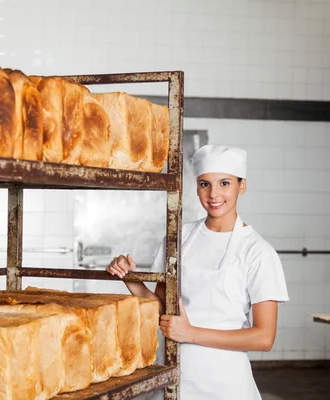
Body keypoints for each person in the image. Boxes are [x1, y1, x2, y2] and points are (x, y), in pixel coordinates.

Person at [106, 144, 289, 399]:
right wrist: (131, 279)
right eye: (205, 184)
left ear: (242, 186)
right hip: (173, 377)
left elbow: (263, 337)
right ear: (197, 187)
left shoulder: (258, 251)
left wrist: (191, 334)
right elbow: (163, 309)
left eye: (224, 183)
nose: (214, 194)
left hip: (225, 384)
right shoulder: (178, 238)